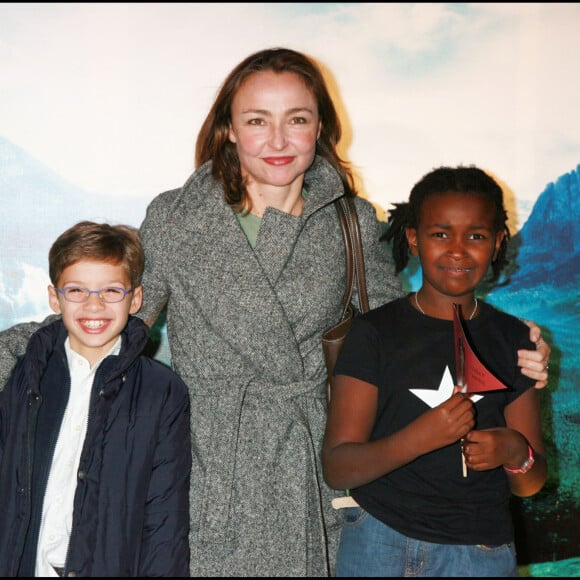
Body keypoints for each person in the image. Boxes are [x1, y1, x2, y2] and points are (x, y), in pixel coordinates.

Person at [0, 49, 550, 576]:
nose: (279, 140)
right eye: (258, 120)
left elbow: (407, 334)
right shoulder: (177, 217)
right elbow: (114, 316)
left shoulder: (351, 222)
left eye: (298, 119)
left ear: (320, 129)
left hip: (312, 468)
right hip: (208, 462)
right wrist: (14, 348)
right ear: (229, 130)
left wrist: (511, 343)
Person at [322, 165, 548, 577]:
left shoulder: (514, 340)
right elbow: (338, 467)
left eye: (476, 236)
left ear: (498, 243)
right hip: (378, 539)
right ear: (413, 238)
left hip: (479, 553)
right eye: (440, 234)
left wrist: (513, 451)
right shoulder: (374, 333)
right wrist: (419, 438)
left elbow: (530, 483)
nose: (458, 250)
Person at [0, 221, 191, 577]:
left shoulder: (162, 392)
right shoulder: (22, 375)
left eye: (111, 291)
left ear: (136, 299)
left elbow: (165, 519)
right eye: (77, 291)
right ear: (54, 298)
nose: (94, 305)